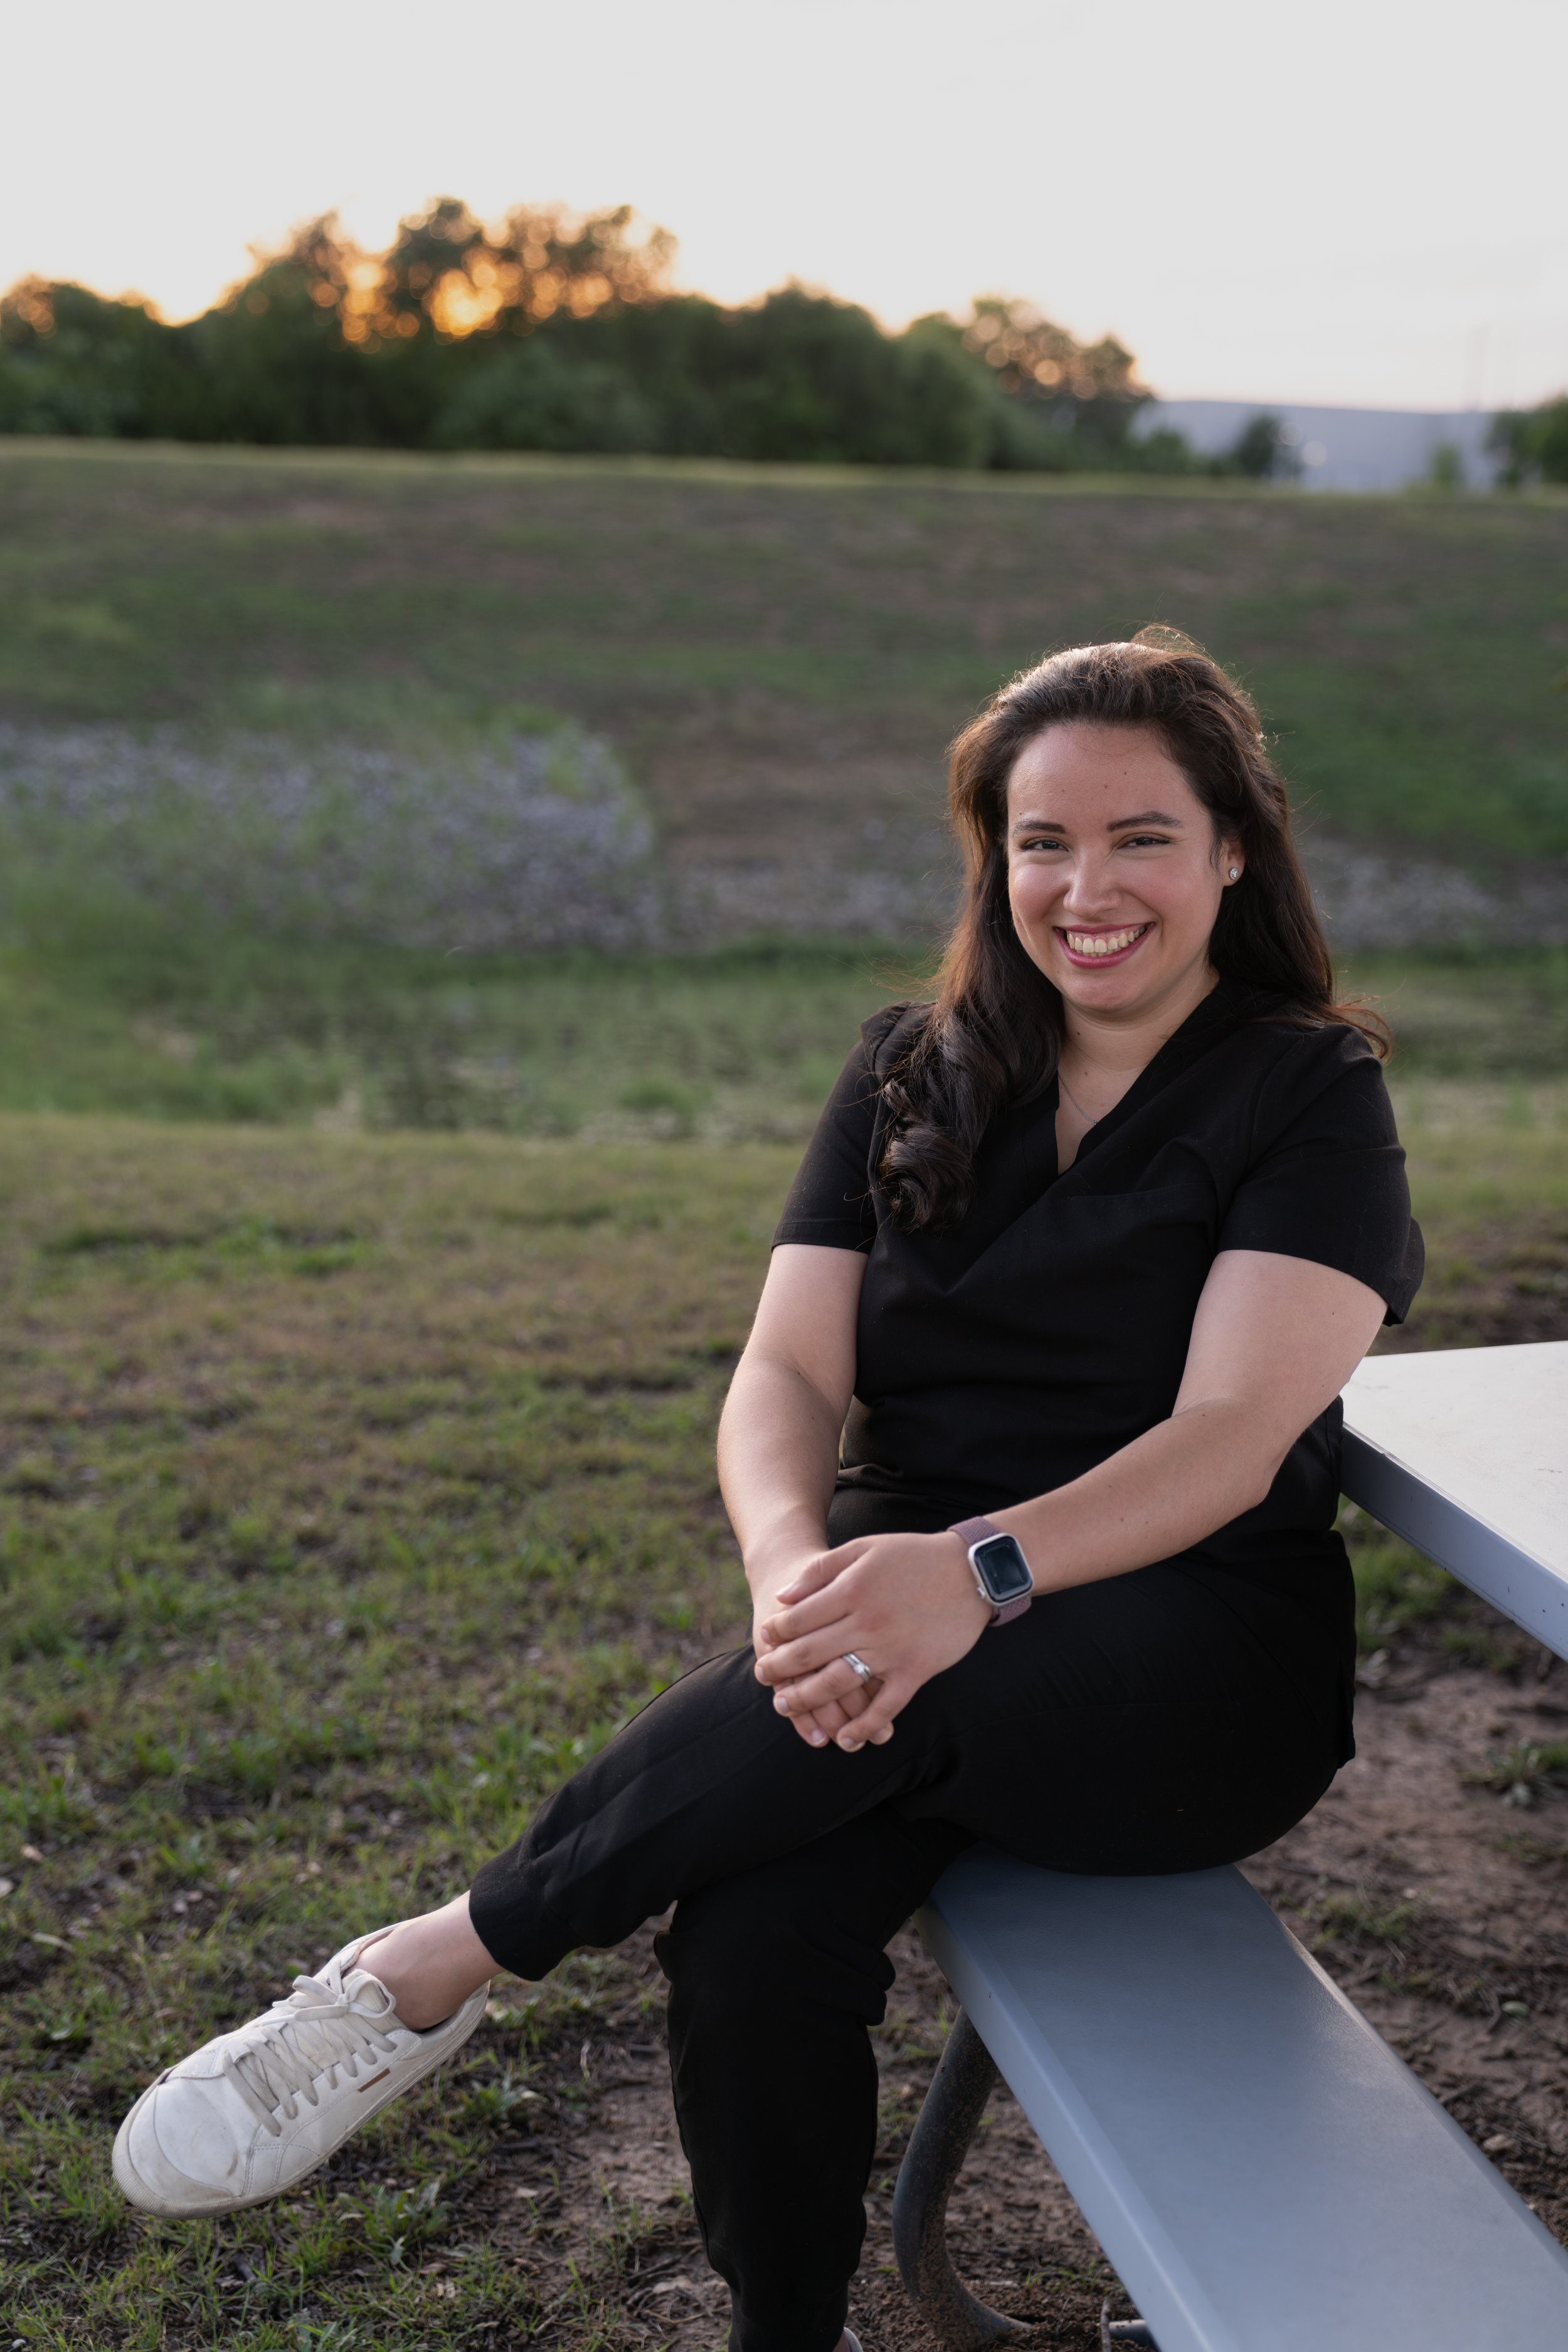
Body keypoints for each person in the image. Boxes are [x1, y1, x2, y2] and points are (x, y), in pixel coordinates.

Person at [113, 631, 1422, 2352]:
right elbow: (789, 1375)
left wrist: (975, 1573)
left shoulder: (1306, 1094)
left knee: (889, 1681)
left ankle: (427, 1968)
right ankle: (786, 2336)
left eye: (1140, 838)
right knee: (744, 1939)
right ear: (993, 857)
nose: (1084, 886)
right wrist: (793, 1571)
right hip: (884, 1627)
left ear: (1232, 849)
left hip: (1185, 1663)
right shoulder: (910, 1069)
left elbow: (1231, 1435)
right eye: (1041, 841)